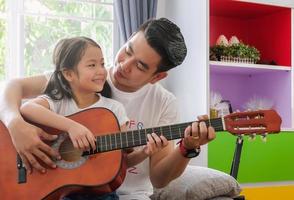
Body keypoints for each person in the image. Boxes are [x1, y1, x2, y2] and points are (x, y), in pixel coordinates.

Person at [0, 18, 216, 200]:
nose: (124, 65)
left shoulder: (164, 103)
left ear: (157, 77)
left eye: (140, 66)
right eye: (128, 50)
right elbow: (12, 86)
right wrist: (15, 123)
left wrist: (186, 148)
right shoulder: (83, 77)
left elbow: (159, 179)